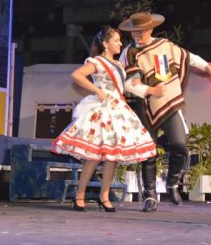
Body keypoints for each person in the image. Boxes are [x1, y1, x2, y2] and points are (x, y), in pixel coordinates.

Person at [118, 11, 211, 212]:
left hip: (168, 103)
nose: (137, 35)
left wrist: (208, 68)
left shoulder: (164, 45)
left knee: (180, 145)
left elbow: (187, 57)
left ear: (150, 29)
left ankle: (172, 183)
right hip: (144, 106)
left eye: (141, 31)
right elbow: (128, 83)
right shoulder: (129, 53)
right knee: (149, 151)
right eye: (134, 32)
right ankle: (151, 195)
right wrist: (149, 90)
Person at [52, 26, 157, 212]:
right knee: (93, 157)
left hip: (119, 110)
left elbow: (126, 86)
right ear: (105, 44)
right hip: (103, 110)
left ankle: (104, 196)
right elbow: (76, 75)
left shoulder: (120, 65)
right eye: (116, 40)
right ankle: (80, 195)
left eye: (119, 40)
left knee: (112, 157)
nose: (120, 43)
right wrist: (97, 90)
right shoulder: (97, 62)